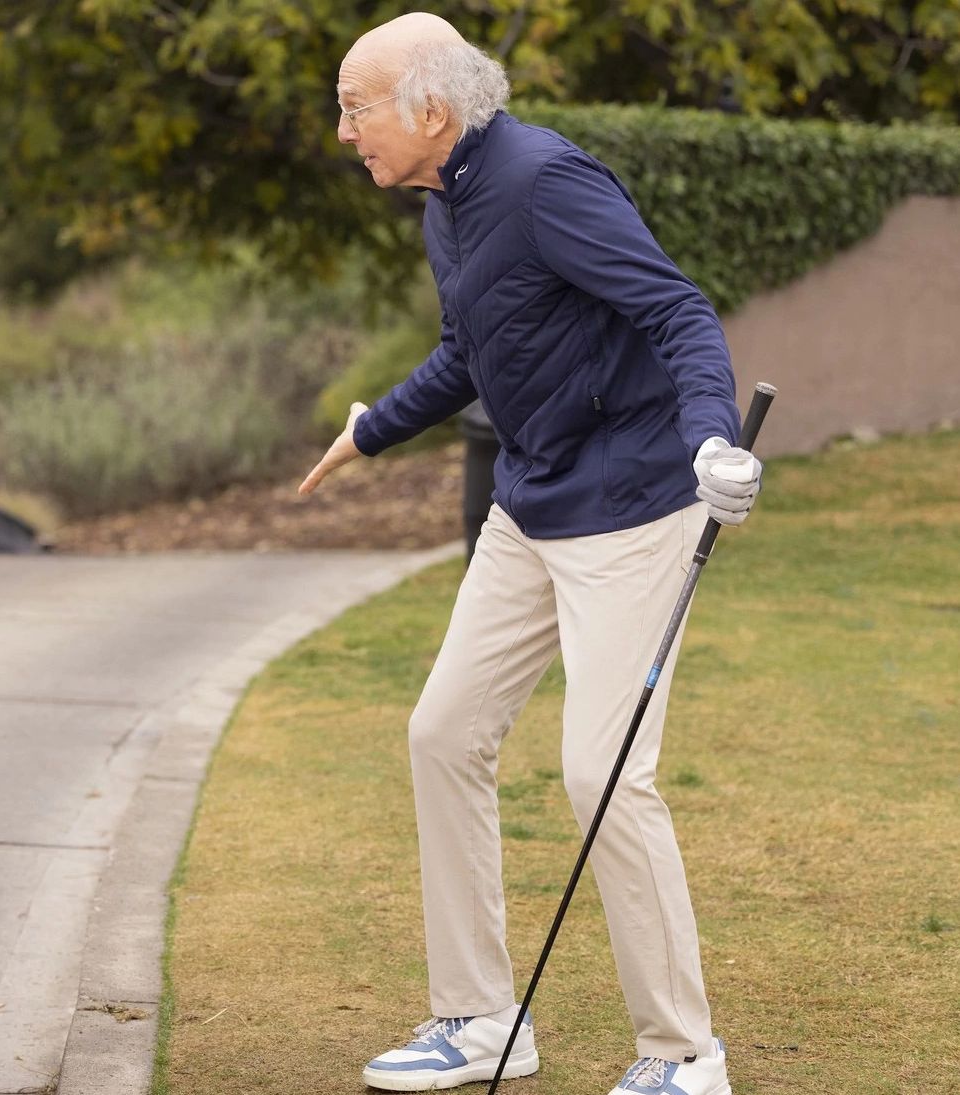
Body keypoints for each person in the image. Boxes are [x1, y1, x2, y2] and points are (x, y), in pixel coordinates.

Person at [297, 13, 762, 1095]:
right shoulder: (445, 205)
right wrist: (372, 431)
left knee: (603, 772)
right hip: (530, 507)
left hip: (634, 510)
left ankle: (684, 1056)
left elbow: (677, 310)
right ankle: (477, 1020)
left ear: (430, 110)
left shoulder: (547, 180)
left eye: (355, 109)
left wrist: (713, 438)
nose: (344, 132)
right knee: (442, 732)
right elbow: (469, 350)